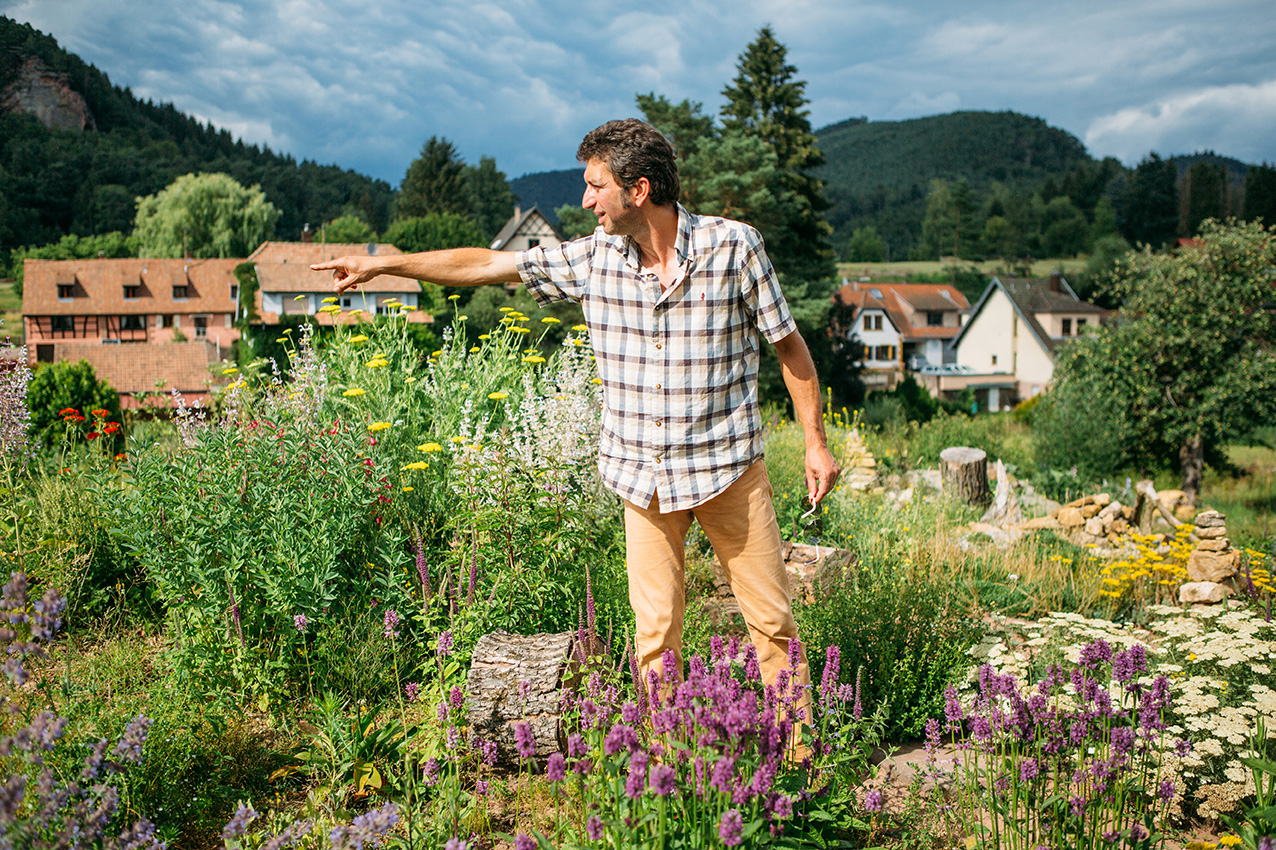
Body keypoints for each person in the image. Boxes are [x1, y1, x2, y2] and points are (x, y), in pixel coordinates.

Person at [313, 118, 840, 714]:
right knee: (655, 639)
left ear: (638, 190)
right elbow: (484, 266)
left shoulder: (735, 248)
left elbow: (789, 346)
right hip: (643, 480)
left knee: (772, 626)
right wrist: (386, 264)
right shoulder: (592, 259)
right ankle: (666, 760)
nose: (586, 201)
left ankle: (796, 756)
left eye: (595, 186)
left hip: (728, 470)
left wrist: (815, 442)